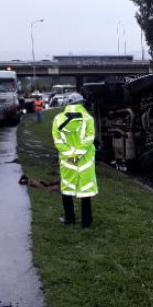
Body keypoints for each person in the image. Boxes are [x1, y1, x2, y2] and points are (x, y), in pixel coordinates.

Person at [51, 93, 97, 228]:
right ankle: (86, 222)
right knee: (85, 190)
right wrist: (78, 155)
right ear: (82, 103)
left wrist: (70, 154)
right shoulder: (88, 119)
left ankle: (69, 218)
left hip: (67, 160)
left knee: (67, 187)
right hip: (85, 160)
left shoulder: (58, 119)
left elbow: (57, 140)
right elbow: (89, 139)